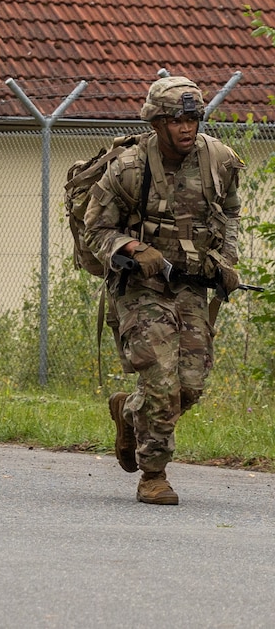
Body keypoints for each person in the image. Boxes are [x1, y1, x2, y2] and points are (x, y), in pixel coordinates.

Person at [84, 76, 244, 505]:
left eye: (193, 117)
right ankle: (153, 474)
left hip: (191, 286)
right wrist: (133, 247)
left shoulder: (220, 161)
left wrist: (226, 261)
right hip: (140, 288)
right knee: (160, 379)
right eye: (176, 119)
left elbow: (230, 216)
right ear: (156, 122)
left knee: (190, 385)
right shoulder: (130, 168)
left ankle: (129, 413)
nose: (186, 127)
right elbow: (95, 231)